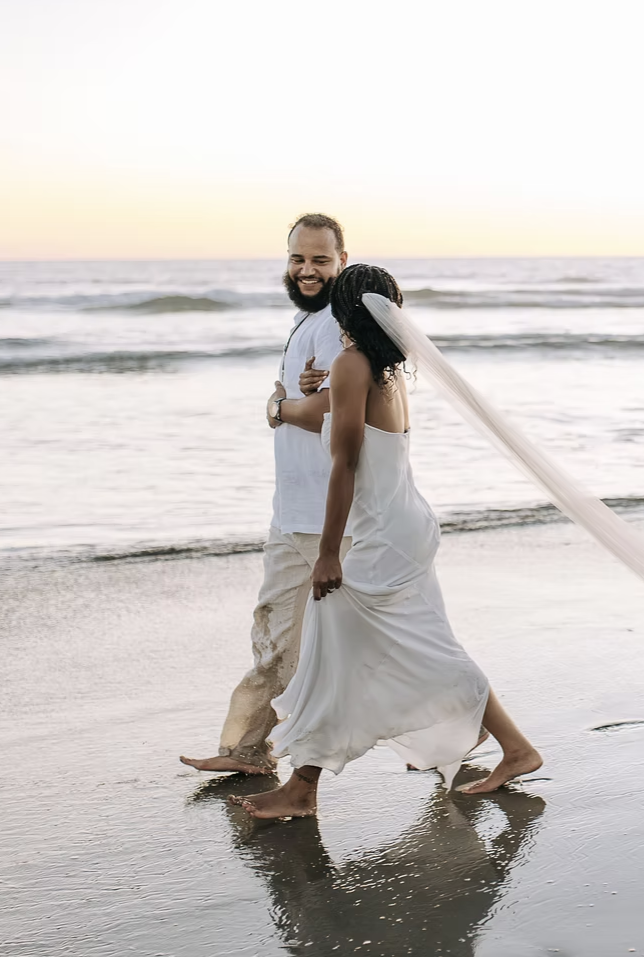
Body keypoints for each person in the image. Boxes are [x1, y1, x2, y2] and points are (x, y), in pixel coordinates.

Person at [231, 265, 543, 819]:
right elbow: (325, 414)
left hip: (383, 535)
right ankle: (515, 748)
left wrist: (328, 553)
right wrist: (295, 401)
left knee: (338, 649)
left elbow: (345, 463)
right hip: (408, 525)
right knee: (423, 648)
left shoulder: (353, 365)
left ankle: (303, 790)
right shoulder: (388, 370)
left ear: (345, 312)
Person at [180, 214, 350, 776]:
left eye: (320, 260)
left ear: (341, 262)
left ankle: (464, 727)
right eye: (298, 259)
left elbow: (339, 411)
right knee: (274, 630)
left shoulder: (332, 324)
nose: (307, 270)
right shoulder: (308, 321)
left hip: (327, 518)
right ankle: (248, 749)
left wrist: (278, 409)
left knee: (373, 641)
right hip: (292, 513)